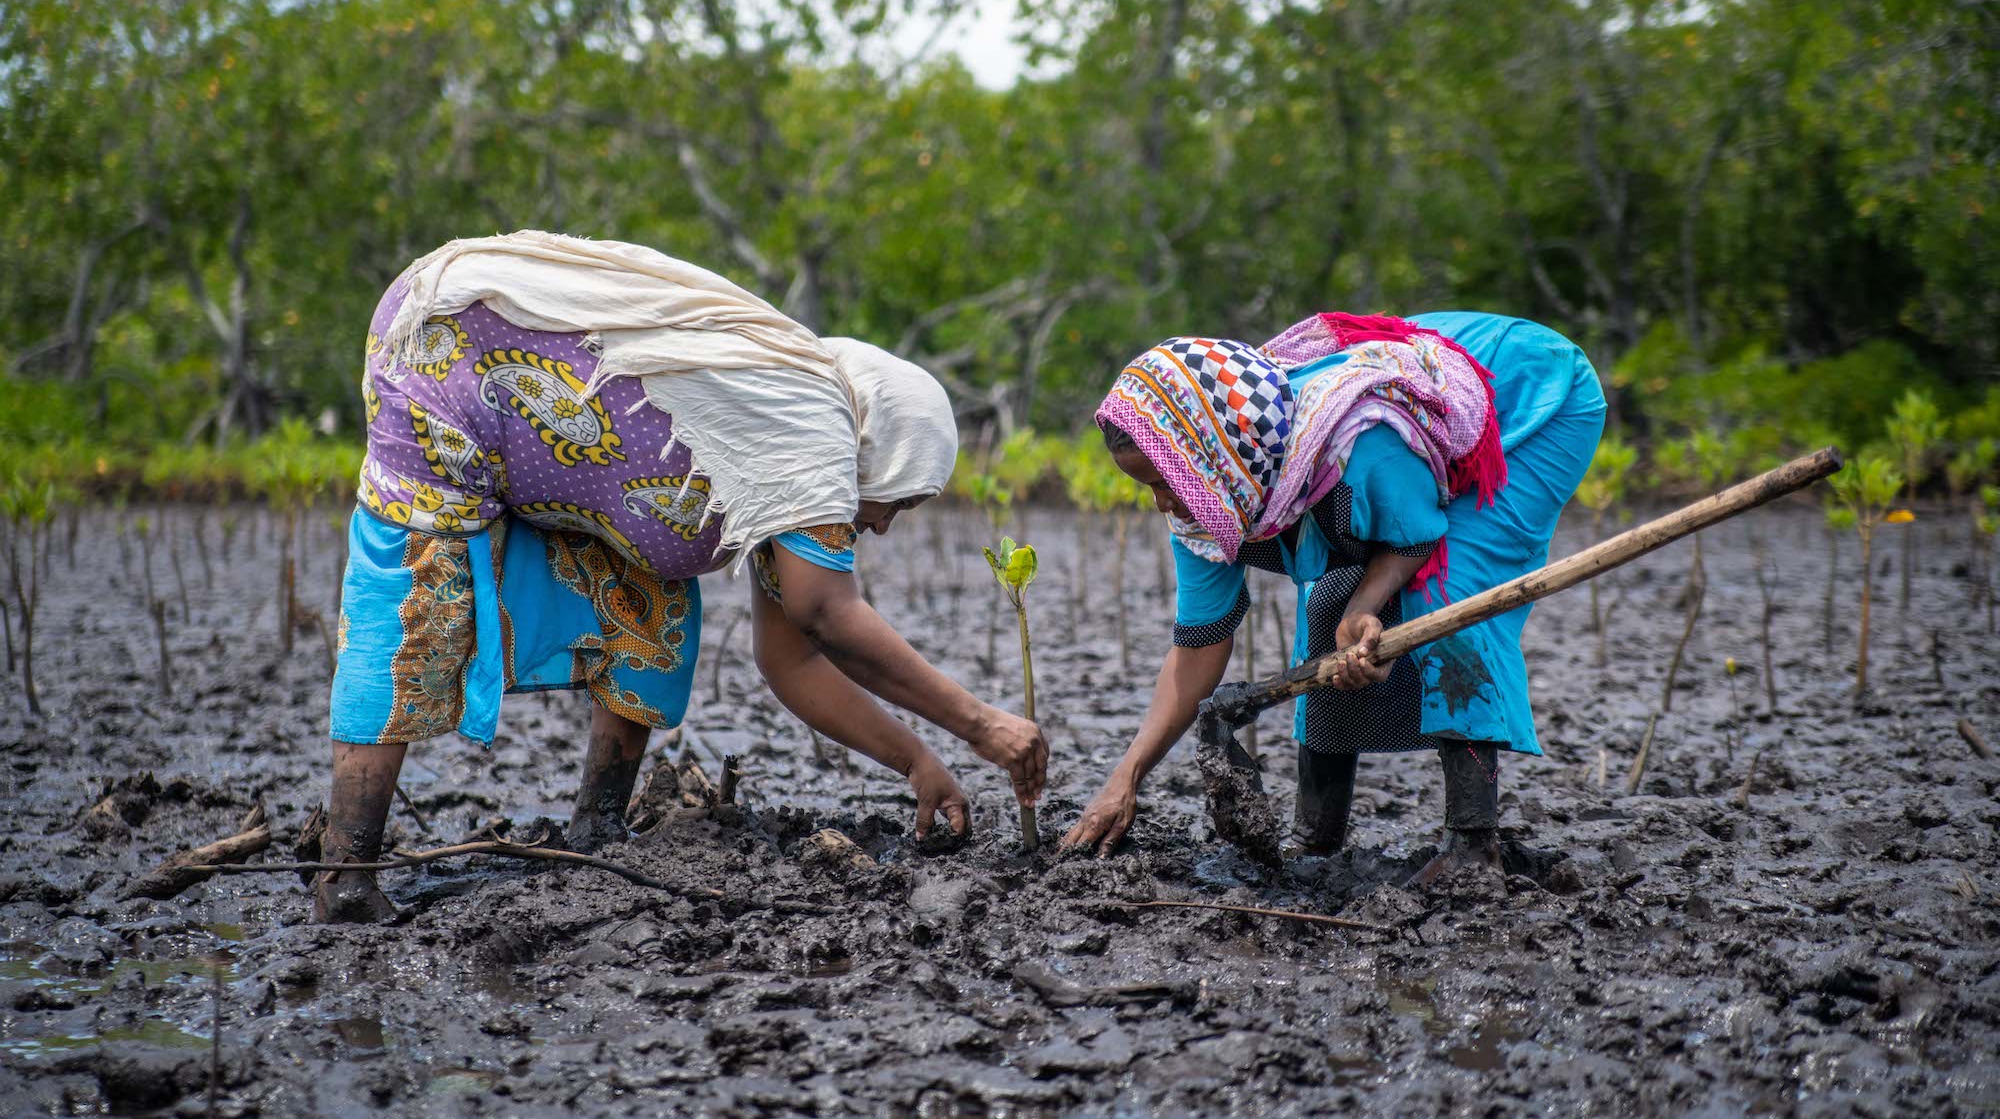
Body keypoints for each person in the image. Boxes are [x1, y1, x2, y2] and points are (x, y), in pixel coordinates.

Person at [317, 231, 1047, 922]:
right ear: (880, 452)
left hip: (493, 362)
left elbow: (790, 658)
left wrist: (917, 762)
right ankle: (347, 876)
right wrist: (981, 726)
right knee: (418, 596)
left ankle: (598, 828)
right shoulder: (815, 427)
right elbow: (827, 613)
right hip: (449, 341)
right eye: (903, 499)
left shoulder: (780, 458)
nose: (885, 523)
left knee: (655, 597)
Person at [1062, 311, 1604, 884]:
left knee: (1447, 591)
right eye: (1148, 485)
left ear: (1206, 456)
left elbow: (1418, 536)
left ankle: (1473, 844)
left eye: (1165, 482)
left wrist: (1365, 605)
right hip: (1413, 430)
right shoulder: (1210, 499)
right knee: (1330, 607)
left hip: (1533, 393)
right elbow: (1199, 645)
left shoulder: (1359, 445)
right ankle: (1317, 835)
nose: (1163, 503)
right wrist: (1126, 777)